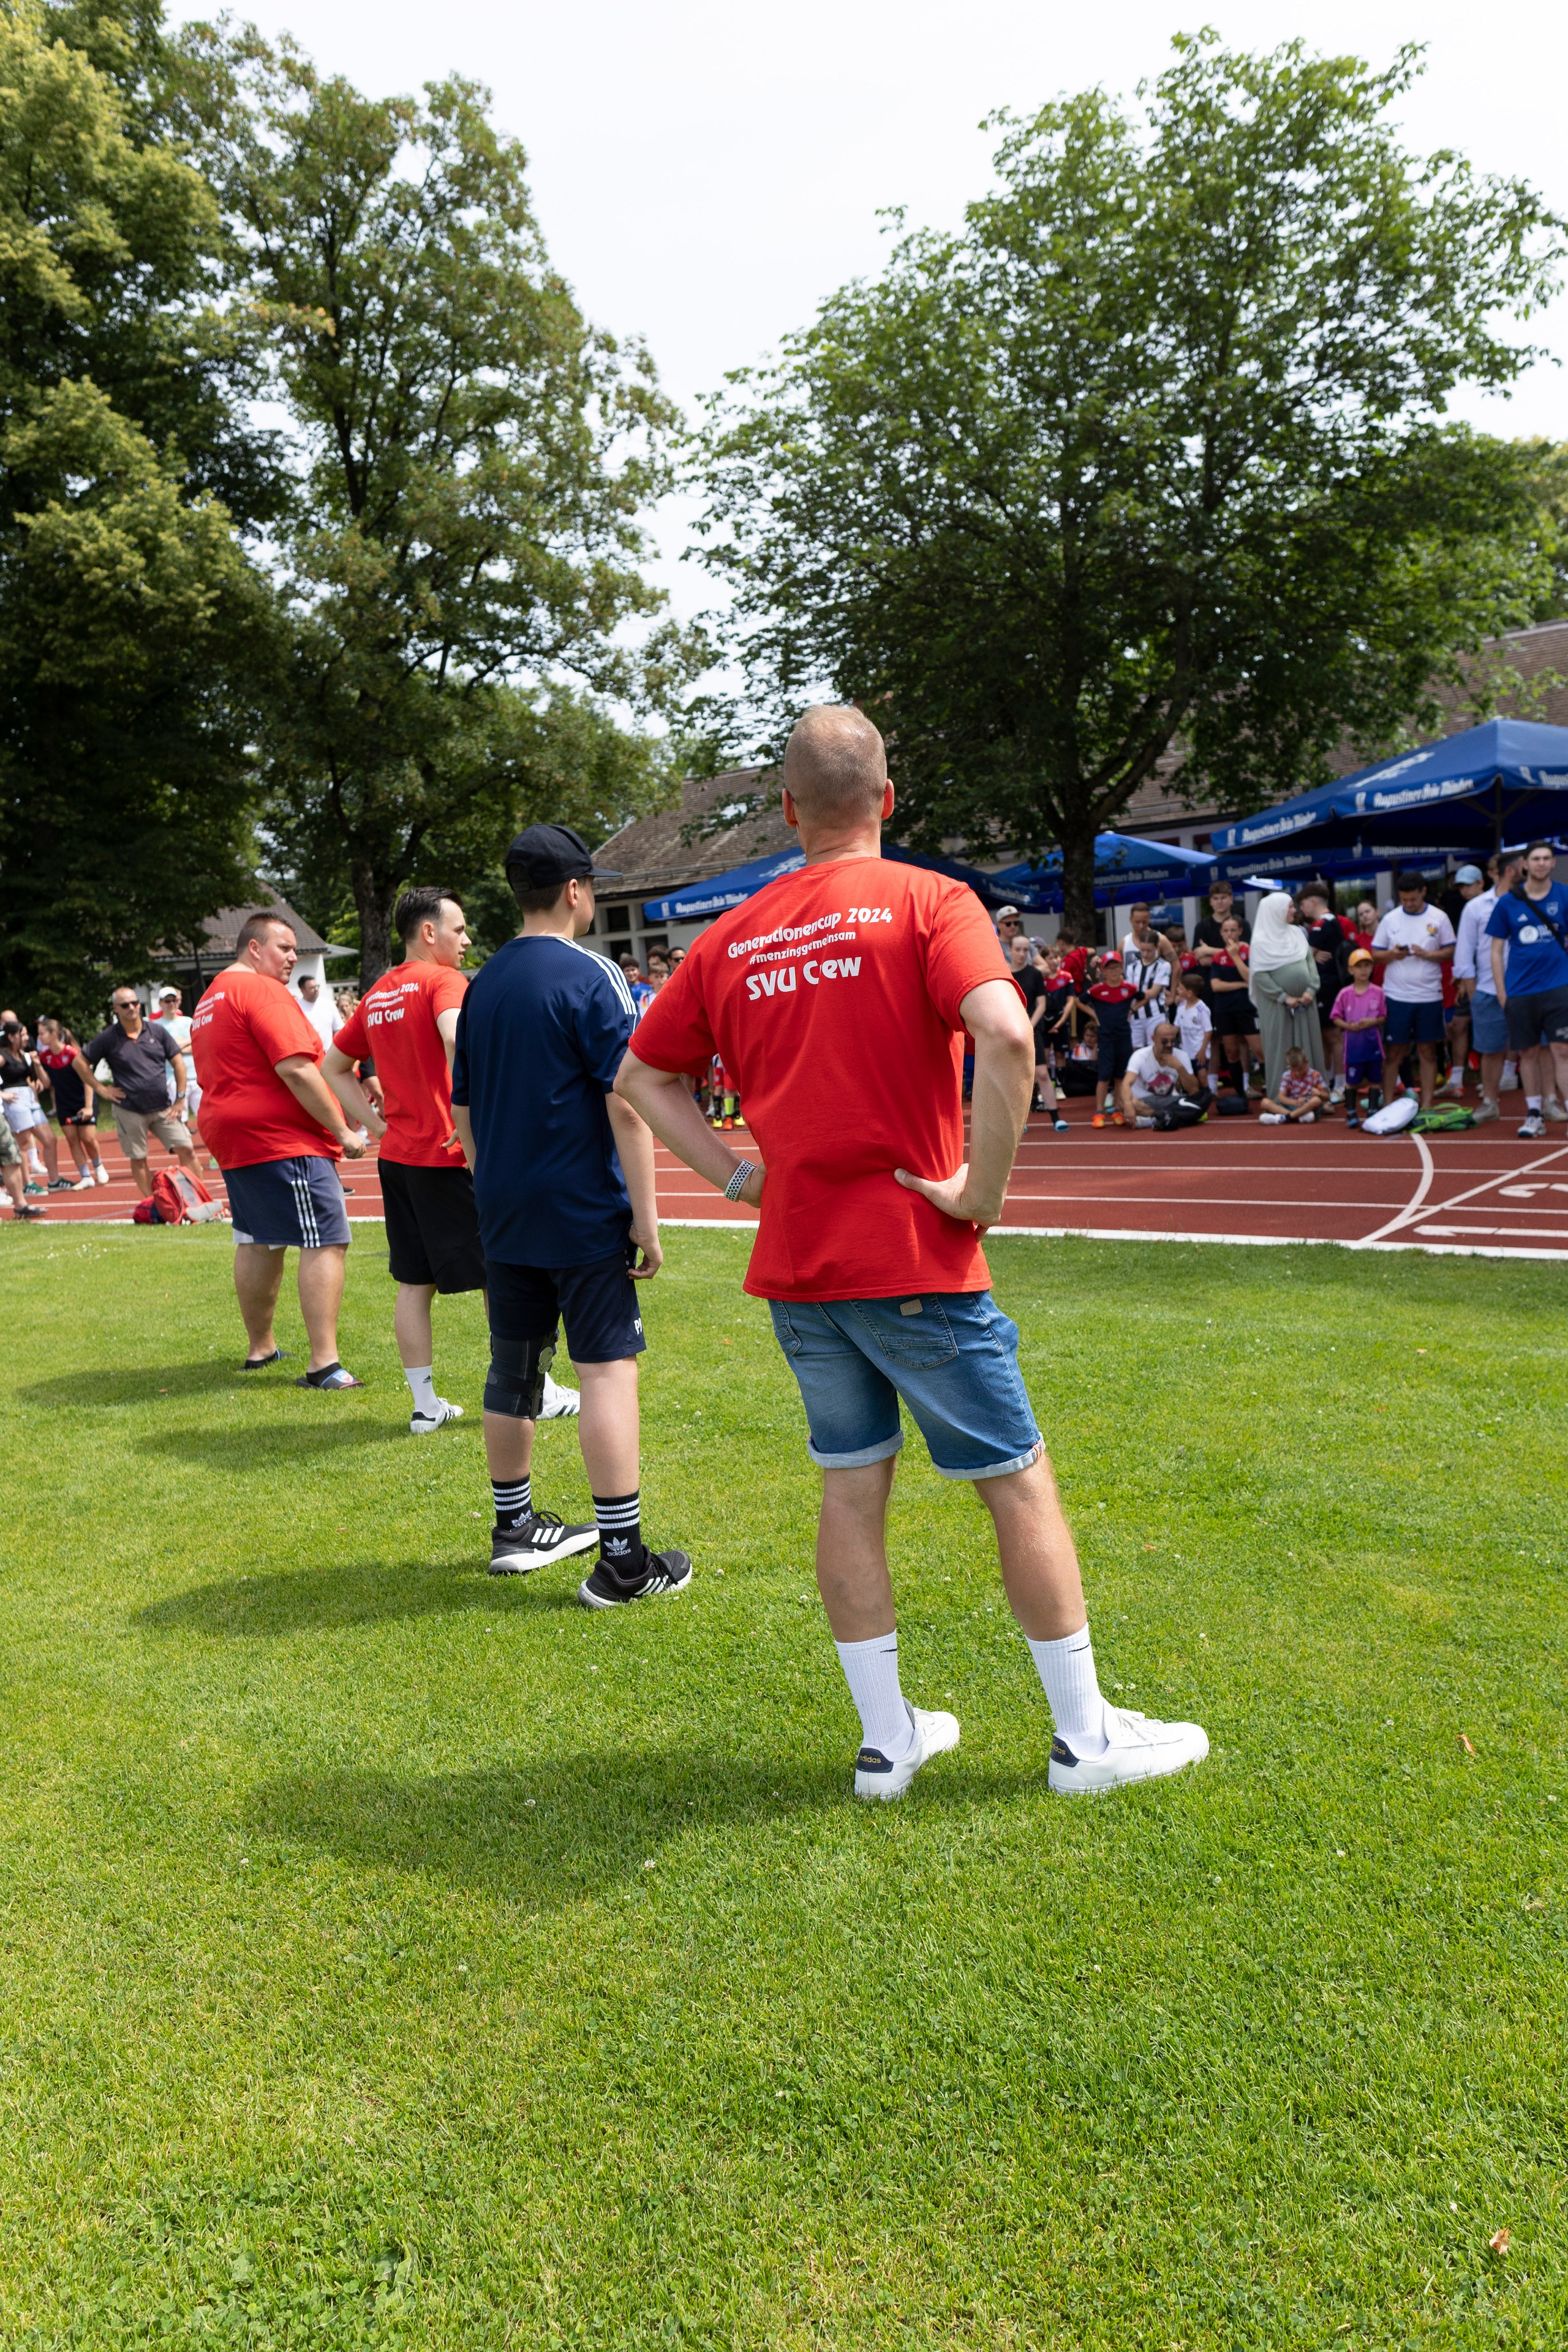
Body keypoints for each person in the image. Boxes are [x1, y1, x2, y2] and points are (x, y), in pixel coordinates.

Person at [616, 703, 1207, 1799]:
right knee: (1016, 1480)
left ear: (788, 810)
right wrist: (983, 1191)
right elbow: (1009, 1031)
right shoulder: (932, 901)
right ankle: (1085, 1739)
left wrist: (739, 1178)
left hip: (801, 1266)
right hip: (913, 1257)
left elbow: (642, 1076)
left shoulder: (730, 936)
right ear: (887, 799)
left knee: (851, 1487)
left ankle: (887, 1741)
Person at [451, 823, 688, 1600]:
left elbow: (464, 1109)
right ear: (576, 890)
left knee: (514, 1366)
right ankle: (622, 1560)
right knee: (606, 1369)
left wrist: (493, 1186)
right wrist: (645, 1218)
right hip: (580, 1207)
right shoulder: (592, 975)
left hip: (505, 1206)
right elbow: (628, 1100)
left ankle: (513, 1527)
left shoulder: (481, 983)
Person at [325, 886, 579, 1434]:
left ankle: (425, 1406)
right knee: (503, 1275)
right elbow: (454, 1035)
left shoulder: (378, 993)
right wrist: (474, 1122)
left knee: (415, 1283)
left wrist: (377, 1127)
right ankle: (535, 1392)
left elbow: (333, 1066)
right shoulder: (444, 981)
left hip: (400, 1158)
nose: (466, 940)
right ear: (429, 932)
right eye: (459, 929)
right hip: (448, 1157)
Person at [190, 911, 369, 1387]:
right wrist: (343, 1131)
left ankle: (261, 1349)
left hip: (232, 1131)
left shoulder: (209, 998)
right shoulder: (262, 990)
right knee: (326, 1237)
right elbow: (296, 1067)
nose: (293, 957)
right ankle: (324, 1365)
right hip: (280, 1136)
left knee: (257, 1239)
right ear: (254, 948)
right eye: (285, 948)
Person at [74, 990, 200, 1200]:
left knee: (187, 1150)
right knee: (139, 1158)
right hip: (129, 1109)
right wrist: (101, 1089)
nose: (132, 1008)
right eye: (125, 1005)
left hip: (163, 1106)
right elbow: (79, 1062)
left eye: (135, 1003)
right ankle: (156, 1204)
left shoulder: (157, 1031)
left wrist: (180, 1098)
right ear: (116, 1009)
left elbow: (178, 1063)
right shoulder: (109, 1037)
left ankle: (197, 1199)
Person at [1487, 839, 1568, 1142]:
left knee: (1562, 1050)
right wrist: (1502, 993)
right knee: (1529, 1052)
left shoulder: (1564, 895)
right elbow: (1496, 951)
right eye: (1536, 859)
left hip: (1559, 987)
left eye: (1547, 858)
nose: (1541, 863)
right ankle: (1534, 1114)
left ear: (1553, 863)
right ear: (1525, 864)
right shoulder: (1508, 903)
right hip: (1520, 990)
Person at [1371, 870, 1455, 1114]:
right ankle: (1388, 1105)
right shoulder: (1390, 919)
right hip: (1396, 996)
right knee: (1394, 1052)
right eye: (1404, 899)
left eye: (1413, 899)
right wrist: (1392, 954)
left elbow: (1451, 951)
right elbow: (1375, 955)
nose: (1408, 904)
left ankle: (1427, 1105)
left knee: (1428, 1050)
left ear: (1424, 892)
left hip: (1429, 995)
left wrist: (1428, 954)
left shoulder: (1439, 917)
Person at [1454, 850, 1524, 1123]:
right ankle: (1490, 1103)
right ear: (1511, 871)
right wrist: (1474, 993)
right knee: (1491, 1050)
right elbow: (1464, 953)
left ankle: (1542, 1104)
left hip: (1529, 987)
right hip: (1487, 989)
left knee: (1538, 1049)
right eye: (1526, 865)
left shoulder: (1531, 900)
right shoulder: (1475, 907)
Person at [1248, 892, 1327, 1098]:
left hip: (1306, 1002)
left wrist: (1311, 990)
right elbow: (1260, 976)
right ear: (1275, 911)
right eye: (1290, 907)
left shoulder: (1298, 933)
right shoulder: (1261, 941)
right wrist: (1284, 997)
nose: (1294, 910)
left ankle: (1316, 1095)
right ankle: (1281, 1098)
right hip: (1276, 1006)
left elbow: (1310, 963)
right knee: (1279, 1048)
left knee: (1310, 1045)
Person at [35, 1017, 107, 1186]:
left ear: (54, 1034)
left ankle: (98, 1166)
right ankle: (85, 1176)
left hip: (83, 1101)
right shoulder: (45, 1057)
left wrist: (88, 1107)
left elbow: (88, 1081)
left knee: (88, 1139)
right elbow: (48, 1084)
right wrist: (37, 1066)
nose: (39, 1037)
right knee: (72, 1140)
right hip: (64, 1103)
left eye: (42, 1034)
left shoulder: (73, 1053)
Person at [1, 1017, 67, 1191]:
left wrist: (37, 1066)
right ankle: (26, 1184)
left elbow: (46, 1084)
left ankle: (54, 1181)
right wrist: (2, 1093)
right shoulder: (3, 1056)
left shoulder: (25, 1056)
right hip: (16, 1101)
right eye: (22, 1035)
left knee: (50, 1139)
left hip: (31, 1100)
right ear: (11, 1037)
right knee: (22, 1143)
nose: (27, 1038)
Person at [1011, 938, 1069, 1131]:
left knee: (1042, 1074)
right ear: (1010, 950)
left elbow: (1042, 1004)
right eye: (1018, 949)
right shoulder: (1004, 975)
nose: (1021, 954)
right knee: (1016, 1077)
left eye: (1025, 950)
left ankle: (1056, 1118)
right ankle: (1020, 1122)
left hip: (1031, 1029)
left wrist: (1028, 1026)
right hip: (1010, 1030)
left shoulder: (1035, 974)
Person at [1439, 866, 1487, 1098]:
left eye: (1468, 885)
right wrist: (1460, 978)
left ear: (1481, 883)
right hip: (1471, 978)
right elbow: (1465, 947)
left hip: (1492, 978)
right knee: (1458, 1026)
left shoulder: (1495, 905)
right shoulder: (1466, 908)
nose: (1464, 890)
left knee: (1491, 1027)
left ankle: (1500, 1078)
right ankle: (1456, 1080)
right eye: (1461, 886)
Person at [1329, 951, 1387, 1125]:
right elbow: (1335, 1017)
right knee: (1351, 1081)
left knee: (1375, 1080)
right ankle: (1352, 1112)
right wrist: (1349, 1026)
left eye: (1367, 966)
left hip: (1373, 1044)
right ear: (1351, 970)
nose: (1363, 970)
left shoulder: (1378, 992)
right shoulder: (1345, 994)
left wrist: (1373, 1021)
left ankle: (1372, 1110)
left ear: (1372, 968)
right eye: (1359, 967)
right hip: (1353, 1047)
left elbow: (1384, 1017)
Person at [1208, 916, 1262, 1096]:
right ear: (1221, 933)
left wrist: (1235, 956)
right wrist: (1241, 985)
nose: (1229, 934)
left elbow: (1250, 978)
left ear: (1240, 931)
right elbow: (1216, 985)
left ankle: (1273, 1090)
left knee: (1259, 1050)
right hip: (1225, 1009)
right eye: (1226, 931)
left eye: (1233, 930)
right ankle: (1241, 1095)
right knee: (1231, 1052)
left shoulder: (1250, 951)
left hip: (1248, 1008)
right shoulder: (1218, 958)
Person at [1087, 952, 1137, 1126]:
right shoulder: (1097, 990)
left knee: (1120, 1076)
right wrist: (1094, 1015)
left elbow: (1144, 997)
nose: (1114, 971)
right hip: (1106, 1038)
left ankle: (1117, 1109)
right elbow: (1078, 1001)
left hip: (1124, 1037)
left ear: (1122, 968)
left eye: (1117, 967)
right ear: (1103, 971)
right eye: (1110, 968)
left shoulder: (1130, 989)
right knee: (1104, 1076)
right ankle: (1099, 1112)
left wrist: (1132, 1011)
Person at [1120, 1023, 1204, 1127]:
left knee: (1199, 1101)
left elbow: (1194, 1090)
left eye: (1173, 1041)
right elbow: (1126, 1084)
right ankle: (1166, 1117)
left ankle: (1156, 1119)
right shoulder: (1140, 1056)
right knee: (1125, 1102)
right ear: (1154, 1039)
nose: (1169, 1045)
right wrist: (1128, 1105)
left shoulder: (1182, 1055)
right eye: (1165, 1042)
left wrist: (1180, 1068)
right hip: (1144, 1101)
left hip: (1170, 1100)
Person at [1120, 905, 1175, 1049]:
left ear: (1156, 948)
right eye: (1142, 950)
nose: (1145, 954)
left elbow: (1154, 992)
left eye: (1149, 951)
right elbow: (1127, 986)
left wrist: (1173, 994)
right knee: (1136, 1052)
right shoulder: (1132, 966)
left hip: (1155, 1014)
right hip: (1136, 1015)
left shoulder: (1163, 964)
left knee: (1158, 1050)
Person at [1259, 1046, 1330, 1124]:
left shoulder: (1316, 1075)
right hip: (1291, 1105)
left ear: (1306, 1062)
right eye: (1294, 1070)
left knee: (1316, 1100)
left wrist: (1319, 1094)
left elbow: (1327, 1097)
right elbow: (1281, 1098)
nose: (1298, 1073)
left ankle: (1284, 1118)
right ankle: (1297, 1117)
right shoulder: (1287, 1075)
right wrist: (1296, 1102)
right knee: (1265, 1102)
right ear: (1289, 1066)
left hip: (1307, 1107)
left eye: (1300, 1069)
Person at [1174, 972, 1215, 1093]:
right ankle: (1191, 1097)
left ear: (1189, 993)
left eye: (1181, 988)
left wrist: (1203, 1050)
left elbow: (1208, 1031)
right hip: (1186, 1050)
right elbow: (1176, 1027)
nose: (1178, 990)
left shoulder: (1202, 1009)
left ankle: (1207, 1095)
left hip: (1199, 1050)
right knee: (1187, 1077)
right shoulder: (1181, 1006)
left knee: (1202, 1076)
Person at [291, 970, 344, 1053]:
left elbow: (339, 1028)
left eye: (317, 986)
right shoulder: (296, 1007)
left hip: (329, 1053)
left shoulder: (328, 1004)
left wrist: (334, 1048)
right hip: (309, 1054)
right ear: (302, 990)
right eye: (312, 988)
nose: (316, 989)